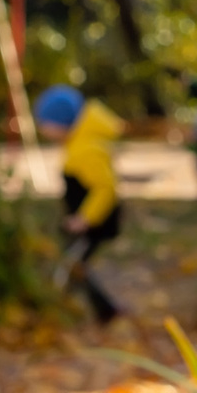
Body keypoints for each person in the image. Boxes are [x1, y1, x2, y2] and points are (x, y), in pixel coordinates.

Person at [36, 85, 124, 321]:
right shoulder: (79, 143)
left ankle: (105, 311)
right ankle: (75, 306)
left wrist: (85, 218)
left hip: (94, 223)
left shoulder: (86, 148)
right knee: (74, 264)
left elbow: (105, 188)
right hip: (86, 220)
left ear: (61, 122)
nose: (42, 128)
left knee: (74, 264)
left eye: (45, 122)